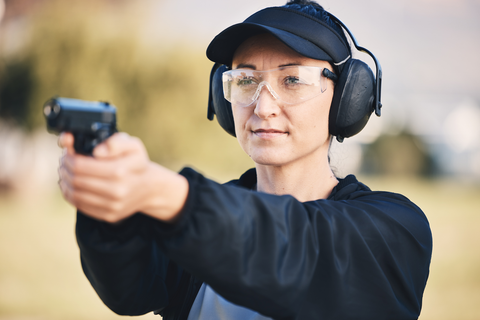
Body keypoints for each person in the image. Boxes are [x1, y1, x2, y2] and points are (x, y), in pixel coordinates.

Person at [57, 1, 432, 319]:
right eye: (246, 81)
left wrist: (171, 196)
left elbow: (300, 246)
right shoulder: (195, 221)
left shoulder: (396, 230)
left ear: (348, 99)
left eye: (292, 80)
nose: (263, 107)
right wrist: (104, 207)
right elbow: (129, 291)